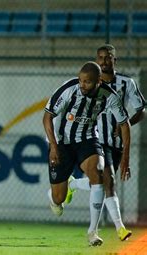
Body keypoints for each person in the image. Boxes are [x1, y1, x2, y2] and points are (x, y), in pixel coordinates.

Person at [43, 61, 131, 246]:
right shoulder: (69, 89)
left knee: (98, 174)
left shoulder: (109, 95)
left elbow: (124, 124)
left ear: (98, 81)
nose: (82, 85)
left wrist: (126, 158)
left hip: (87, 139)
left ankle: (93, 232)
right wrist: (53, 146)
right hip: (62, 142)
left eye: (88, 82)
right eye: (81, 80)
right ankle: (56, 195)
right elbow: (47, 116)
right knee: (59, 199)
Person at [65, 44, 145, 241]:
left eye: (108, 57)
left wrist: (125, 124)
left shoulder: (127, 83)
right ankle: (118, 228)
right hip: (97, 140)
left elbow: (142, 110)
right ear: (96, 60)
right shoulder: (90, 84)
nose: (104, 61)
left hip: (116, 142)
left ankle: (73, 184)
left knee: (101, 183)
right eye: (100, 57)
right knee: (109, 181)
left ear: (114, 60)